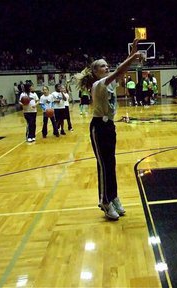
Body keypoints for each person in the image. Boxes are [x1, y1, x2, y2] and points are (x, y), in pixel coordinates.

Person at [74, 38, 143, 220]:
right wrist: (134, 57)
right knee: (104, 166)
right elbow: (120, 70)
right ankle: (104, 201)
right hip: (98, 127)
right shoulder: (98, 84)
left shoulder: (109, 82)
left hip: (109, 126)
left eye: (107, 66)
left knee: (111, 164)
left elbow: (121, 71)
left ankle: (113, 196)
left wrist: (132, 53)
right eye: (103, 66)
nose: (106, 68)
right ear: (96, 72)